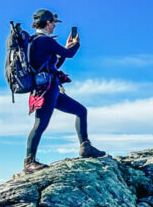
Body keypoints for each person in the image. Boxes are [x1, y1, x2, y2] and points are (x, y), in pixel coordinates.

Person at [23, 9, 106, 173]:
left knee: (81, 111)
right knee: (40, 124)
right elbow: (69, 54)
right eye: (53, 22)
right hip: (47, 90)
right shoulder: (44, 41)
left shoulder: (35, 41)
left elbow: (52, 67)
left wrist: (65, 51)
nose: (54, 25)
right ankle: (29, 162)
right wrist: (76, 44)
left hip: (47, 88)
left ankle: (85, 147)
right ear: (48, 23)